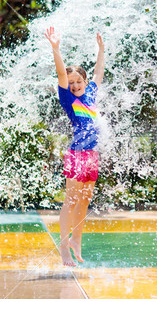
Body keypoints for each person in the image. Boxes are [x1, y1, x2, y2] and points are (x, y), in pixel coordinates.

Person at [45, 26, 104, 266]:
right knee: (71, 199)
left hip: (91, 155)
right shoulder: (68, 99)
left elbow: (99, 73)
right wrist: (56, 49)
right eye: (71, 83)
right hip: (77, 153)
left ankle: (76, 240)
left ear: (84, 82)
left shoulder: (90, 94)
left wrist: (101, 50)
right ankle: (63, 245)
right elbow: (60, 74)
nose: (75, 85)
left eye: (78, 81)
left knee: (85, 200)